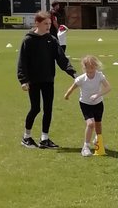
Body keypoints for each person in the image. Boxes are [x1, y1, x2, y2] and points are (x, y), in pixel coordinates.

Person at [17, 10, 76, 148]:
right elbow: (22, 62)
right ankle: (26, 137)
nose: (48, 26)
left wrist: (73, 73)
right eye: (45, 23)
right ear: (37, 23)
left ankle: (44, 138)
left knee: (48, 109)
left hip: (48, 79)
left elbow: (61, 59)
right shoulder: (28, 40)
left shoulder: (52, 40)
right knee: (35, 108)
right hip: (33, 81)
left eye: (49, 23)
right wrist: (23, 80)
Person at [64, 55, 111, 155]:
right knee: (90, 124)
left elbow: (108, 88)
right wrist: (67, 95)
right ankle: (85, 147)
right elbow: (73, 87)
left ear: (96, 66)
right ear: (84, 68)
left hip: (98, 103)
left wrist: (97, 95)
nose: (90, 71)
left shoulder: (99, 76)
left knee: (98, 123)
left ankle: (99, 141)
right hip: (85, 104)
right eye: (88, 69)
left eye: (92, 68)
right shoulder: (81, 79)